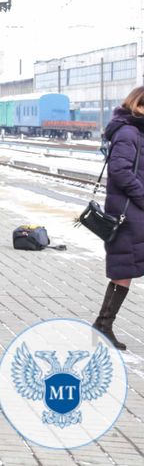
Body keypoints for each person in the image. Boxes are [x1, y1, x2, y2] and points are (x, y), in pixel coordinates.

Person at [93, 86, 144, 350]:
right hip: (128, 212)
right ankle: (103, 325)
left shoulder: (135, 131)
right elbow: (120, 171)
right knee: (123, 271)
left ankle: (103, 325)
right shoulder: (128, 132)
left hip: (133, 212)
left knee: (125, 271)